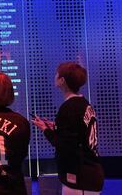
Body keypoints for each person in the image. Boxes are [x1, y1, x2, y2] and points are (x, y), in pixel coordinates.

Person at [32, 62, 104, 194]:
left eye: (57, 74)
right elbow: (77, 133)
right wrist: (56, 126)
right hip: (89, 173)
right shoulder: (84, 104)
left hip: (80, 178)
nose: (55, 76)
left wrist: (45, 129)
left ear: (62, 80)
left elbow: (63, 144)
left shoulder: (69, 108)